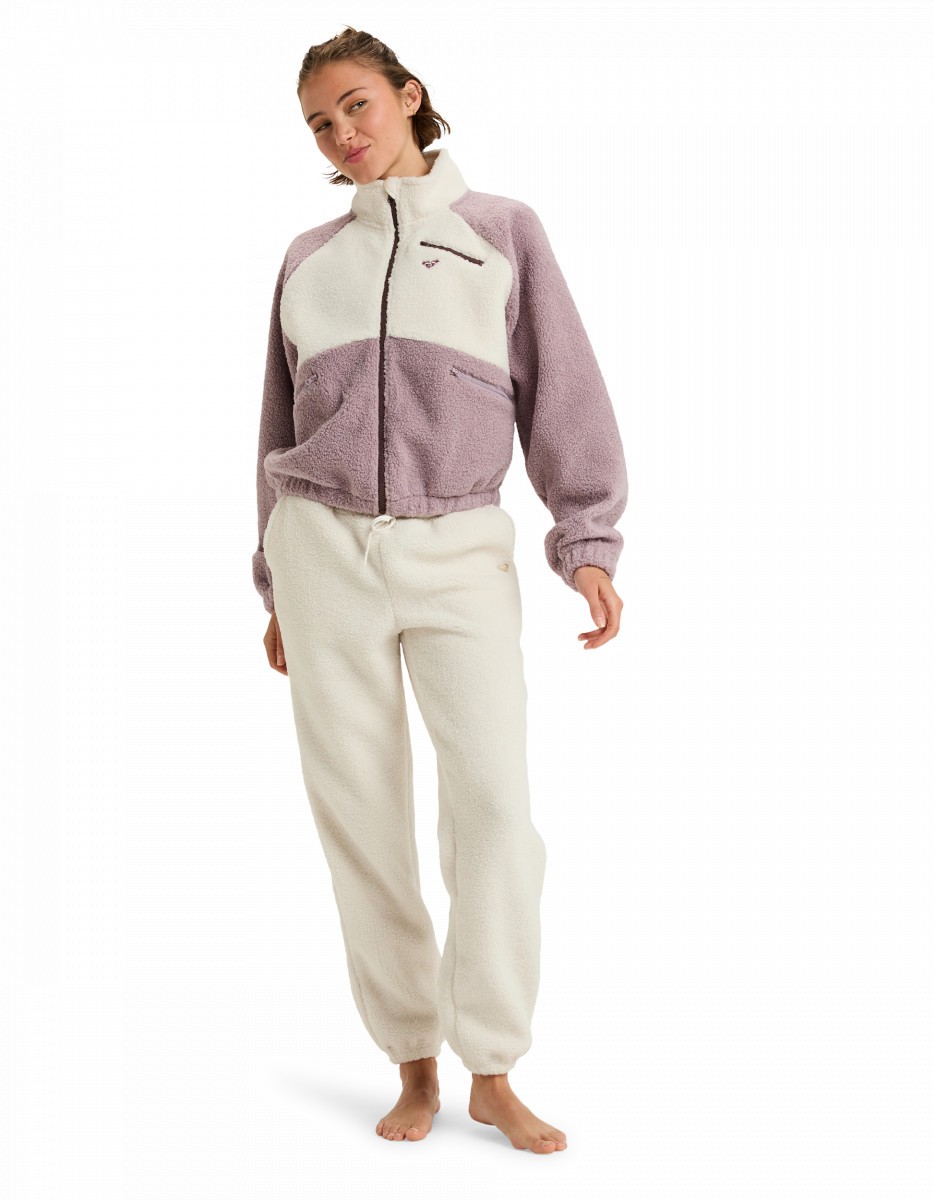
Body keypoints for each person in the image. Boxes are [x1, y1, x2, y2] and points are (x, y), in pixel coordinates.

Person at [252, 27, 628, 1153]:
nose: (342, 134)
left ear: (410, 96)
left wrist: (587, 535)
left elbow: (562, 387)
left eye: (357, 106)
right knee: (359, 816)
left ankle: (493, 1067)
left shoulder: (500, 232)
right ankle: (413, 1060)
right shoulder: (308, 259)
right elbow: (276, 425)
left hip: (458, 544)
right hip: (322, 556)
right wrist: (274, 583)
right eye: (320, 123)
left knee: (495, 811)